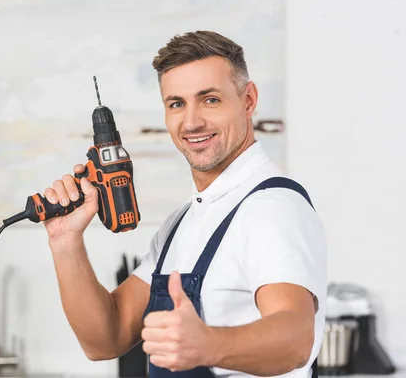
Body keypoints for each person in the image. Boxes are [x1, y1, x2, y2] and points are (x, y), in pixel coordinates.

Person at [41, 30, 327, 377]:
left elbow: (297, 339)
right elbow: (105, 340)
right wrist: (65, 241)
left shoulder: (272, 207)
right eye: (177, 103)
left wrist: (208, 345)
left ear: (248, 99)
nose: (191, 122)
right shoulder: (182, 223)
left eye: (210, 100)